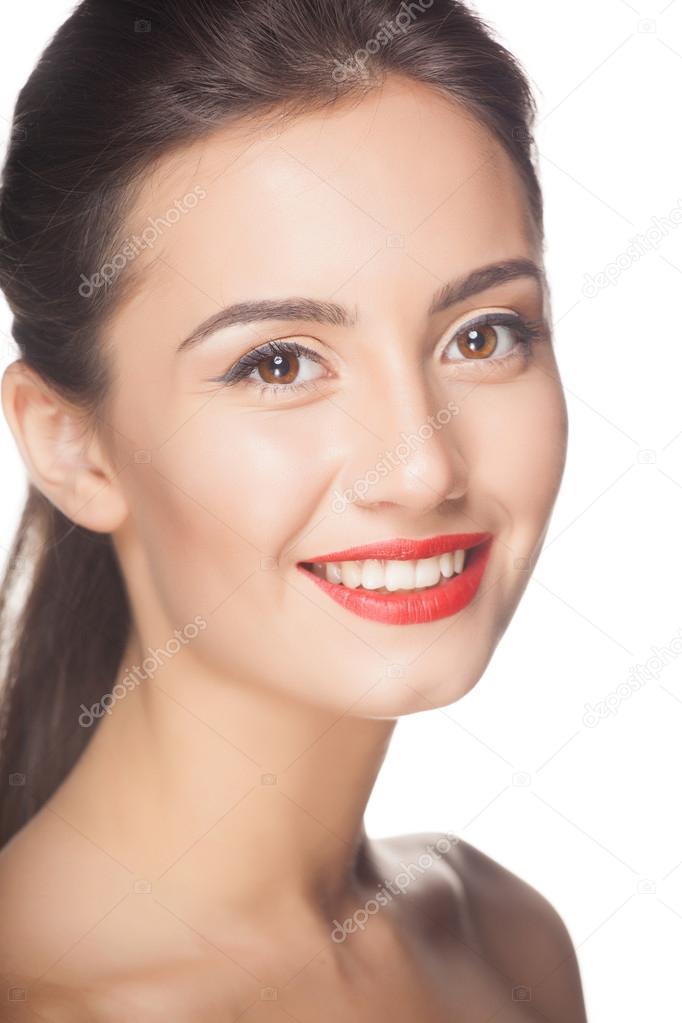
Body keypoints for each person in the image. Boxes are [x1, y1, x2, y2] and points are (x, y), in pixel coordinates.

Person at [0, 1, 587, 1018]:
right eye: (278, 363)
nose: (420, 468)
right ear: (70, 442)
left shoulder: (501, 939)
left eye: (483, 335)